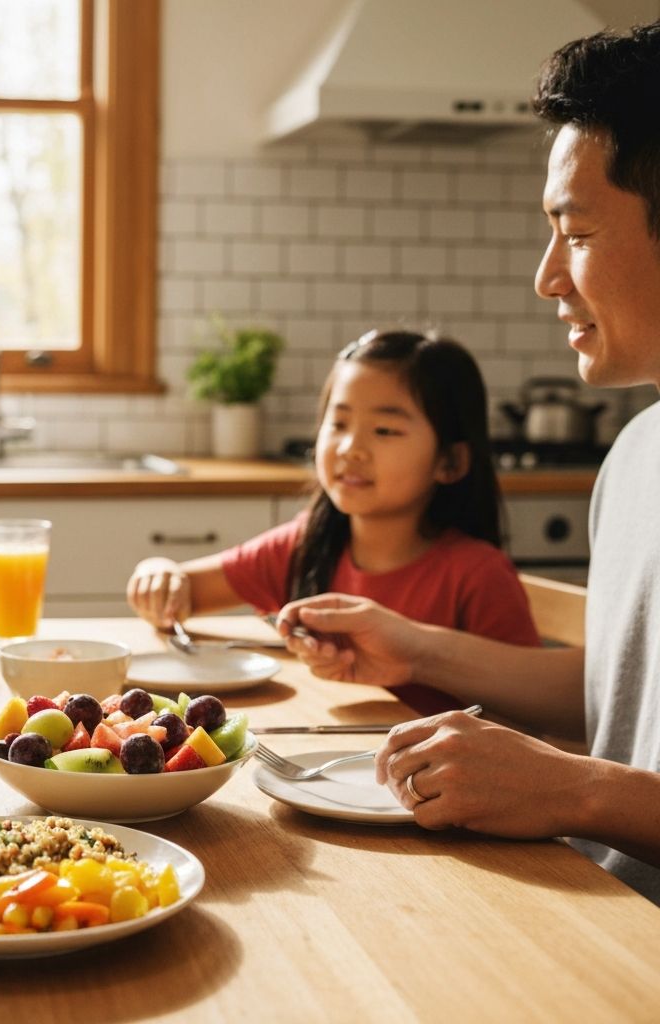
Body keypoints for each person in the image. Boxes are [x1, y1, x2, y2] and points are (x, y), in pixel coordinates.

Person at [276, 20, 660, 904]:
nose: (547, 276)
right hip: (599, 908)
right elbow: (618, 696)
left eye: (579, 233)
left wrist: (575, 789)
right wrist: (413, 649)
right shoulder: (636, 454)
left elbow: (604, 770)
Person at [127, 330, 539, 706]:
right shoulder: (306, 544)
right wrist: (159, 572)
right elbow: (183, 594)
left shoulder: (478, 575)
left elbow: (529, 709)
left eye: (384, 430)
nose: (350, 448)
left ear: (449, 461)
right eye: (338, 423)